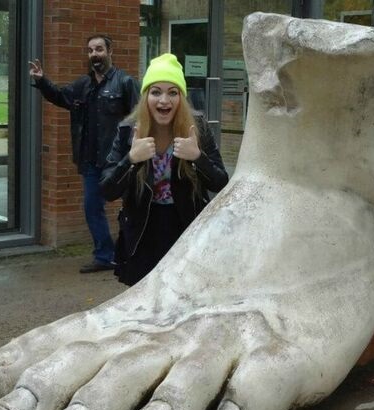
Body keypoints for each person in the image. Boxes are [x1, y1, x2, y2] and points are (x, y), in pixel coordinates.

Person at [100, 53, 229, 285]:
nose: (164, 101)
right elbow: (108, 190)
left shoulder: (196, 127)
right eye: (156, 91)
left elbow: (220, 182)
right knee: (143, 303)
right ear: (145, 96)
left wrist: (197, 157)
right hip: (142, 230)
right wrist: (131, 159)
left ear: (181, 97)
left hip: (186, 228)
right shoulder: (128, 130)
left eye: (172, 92)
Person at [29, 35, 140, 273]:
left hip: (119, 159)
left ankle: (135, 253)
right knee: (92, 207)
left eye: (99, 49)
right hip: (91, 160)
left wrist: (134, 152)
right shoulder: (83, 85)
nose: (94, 54)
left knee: (132, 206)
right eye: (90, 50)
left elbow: (138, 118)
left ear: (110, 52)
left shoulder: (125, 82)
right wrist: (41, 81)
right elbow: (60, 97)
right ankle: (105, 255)